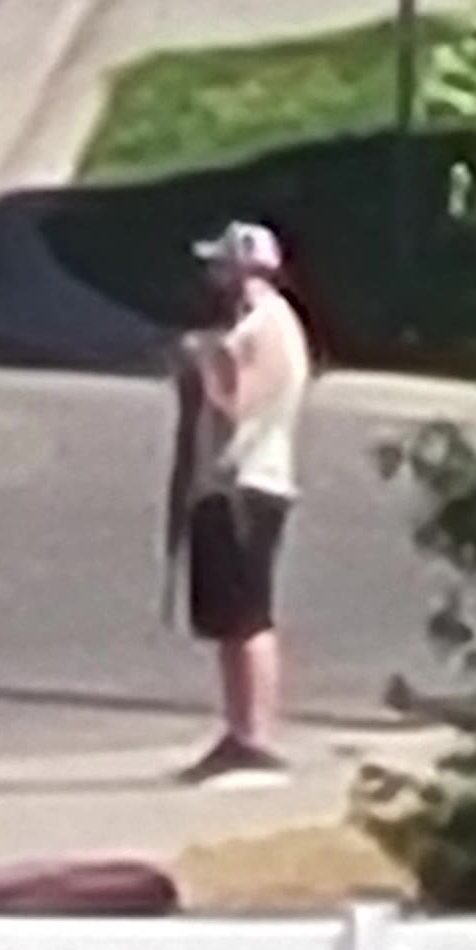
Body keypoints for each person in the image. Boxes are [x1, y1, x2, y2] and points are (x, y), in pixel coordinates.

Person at [162, 220, 314, 787]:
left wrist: (202, 362)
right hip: (225, 482)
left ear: (243, 270)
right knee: (227, 617)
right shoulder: (248, 329)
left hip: (248, 483)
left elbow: (234, 405)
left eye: (220, 267)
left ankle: (255, 734)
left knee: (248, 614)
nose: (211, 278)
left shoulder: (265, 329)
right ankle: (237, 728)